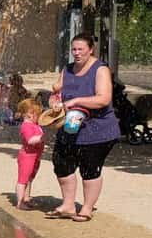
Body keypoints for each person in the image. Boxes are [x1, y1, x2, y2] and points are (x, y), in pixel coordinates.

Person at [46, 33, 120, 222]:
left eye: (81, 49)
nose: (76, 53)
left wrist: (77, 100)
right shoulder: (68, 69)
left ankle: (86, 208)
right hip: (70, 125)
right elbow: (57, 92)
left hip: (97, 129)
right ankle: (68, 205)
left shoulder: (100, 69)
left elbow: (103, 99)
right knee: (61, 162)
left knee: (89, 168)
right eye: (74, 49)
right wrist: (54, 101)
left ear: (91, 49)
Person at [14, 98, 45, 210]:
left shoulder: (34, 125)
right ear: (29, 115)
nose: (39, 117)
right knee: (23, 179)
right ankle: (20, 201)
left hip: (35, 156)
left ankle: (26, 198)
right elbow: (30, 140)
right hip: (27, 156)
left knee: (30, 178)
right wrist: (41, 138)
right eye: (37, 115)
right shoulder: (26, 126)